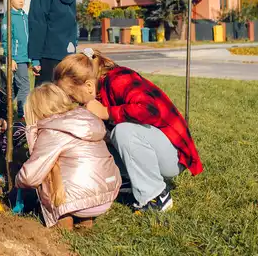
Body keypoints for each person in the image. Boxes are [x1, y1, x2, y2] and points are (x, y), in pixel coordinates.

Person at [53, 48, 204, 212]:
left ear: (88, 85)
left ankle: (156, 196)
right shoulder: (98, 91)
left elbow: (148, 109)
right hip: (154, 146)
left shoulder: (120, 79)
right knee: (100, 134)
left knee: (123, 131)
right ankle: (129, 180)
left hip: (173, 156)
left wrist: (106, 112)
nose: (71, 101)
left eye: (71, 96)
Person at [15, 84, 121, 230]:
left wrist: (17, 181)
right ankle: (86, 220)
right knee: (75, 163)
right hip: (108, 193)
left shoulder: (52, 131)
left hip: (80, 199)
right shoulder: (86, 119)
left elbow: (31, 176)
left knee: (48, 169)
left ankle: (64, 220)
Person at [27, 0, 77, 87]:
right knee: (64, 94)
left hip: (48, 55)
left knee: (45, 99)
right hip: (68, 52)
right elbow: (73, 19)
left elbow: (37, 26)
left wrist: (35, 58)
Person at [1, 0, 31, 118]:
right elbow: (6, 40)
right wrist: (11, 57)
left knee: (16, 86)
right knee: (24, 85)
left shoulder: (25, 16)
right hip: (17, 57)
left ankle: (1, 105)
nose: (21, 1)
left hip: (25, 56)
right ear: (10, 0)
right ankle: (22, 113)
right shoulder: (8, 18)